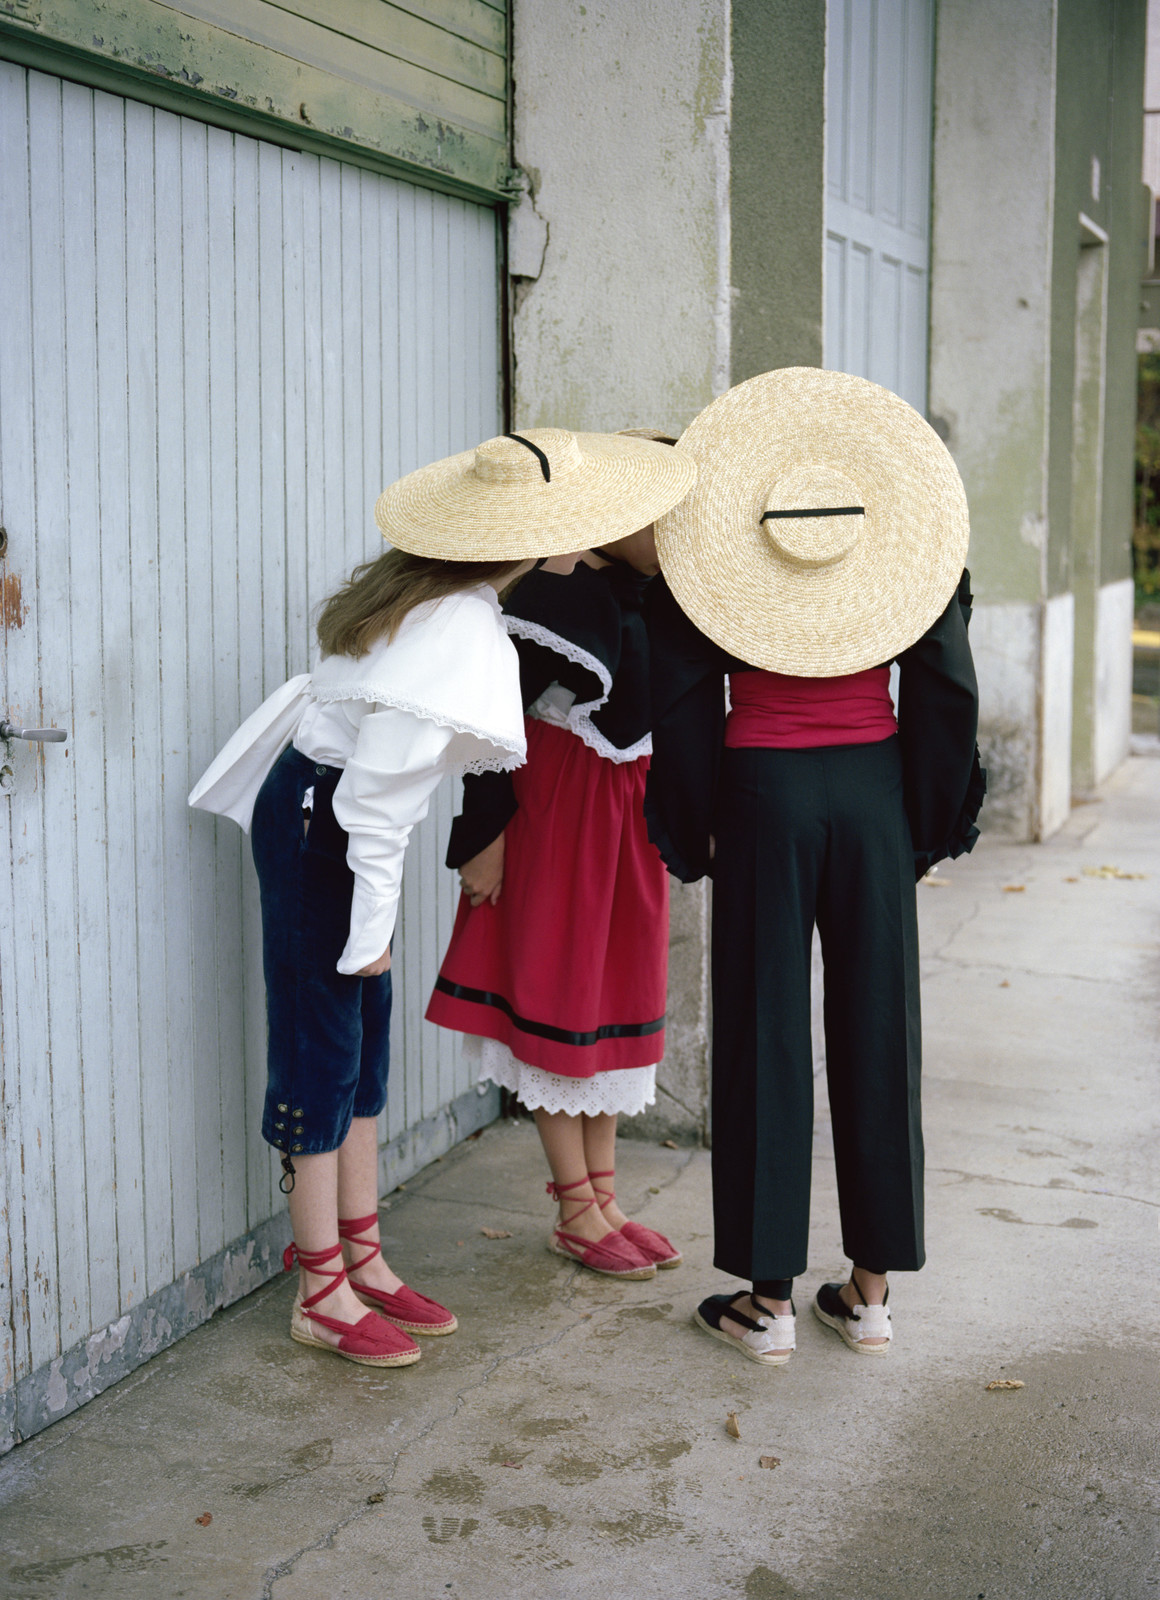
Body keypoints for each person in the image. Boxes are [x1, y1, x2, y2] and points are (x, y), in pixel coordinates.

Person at [188, 427, 694, 1367]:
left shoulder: (436, 595)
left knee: (361, 1054)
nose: (592, 538)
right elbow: (372, 808)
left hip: (321, 811)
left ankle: (364, 1261)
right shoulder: (461, 630)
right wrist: (369, 937)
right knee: (322, 1052)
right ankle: (320, 1289)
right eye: (578, 523)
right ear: (534, 540)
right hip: (322, 828)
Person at [644, 369, 986, 1364]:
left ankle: (764, 1301)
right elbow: (943, 688)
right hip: (871, 791)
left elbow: (679, 697)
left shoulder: (712, 558)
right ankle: (869, 1292)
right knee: (879, 1025)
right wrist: (923, 822)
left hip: (762, 794)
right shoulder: (905, 550)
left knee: (763, 1030)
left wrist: (694, 821)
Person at [426, 431, 696, 1278]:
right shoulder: (547, 592)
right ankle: (575, 1205)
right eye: (660, 519)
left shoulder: (646, 593)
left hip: (623, 821)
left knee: (614, 991)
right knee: (558, 987)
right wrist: (486, 837)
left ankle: (604, 1194)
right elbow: (488, 725)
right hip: (556, 814)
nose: (673, 537)